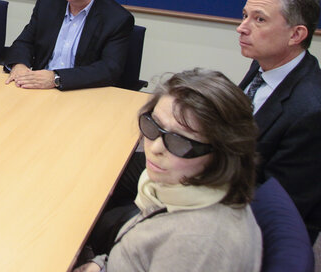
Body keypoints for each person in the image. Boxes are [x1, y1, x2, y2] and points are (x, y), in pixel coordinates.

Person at [77, 69, 262, 272]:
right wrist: (101, 264)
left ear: (222, 152)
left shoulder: (198, 246)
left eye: (180, 140)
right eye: (153, 125)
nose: (155, 148)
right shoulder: (183, 189)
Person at [237, 0, 321, 240]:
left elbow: (278, 203)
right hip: (227, 174)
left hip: (256, 223)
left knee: (117, 218)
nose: (242, 27)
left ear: (296, 34)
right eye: (244, 16)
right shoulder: (263, 65)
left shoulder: (311, 110)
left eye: (259, 19)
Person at [4, 0, 133, 90]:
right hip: (38, 89)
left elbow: (108, 70)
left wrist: (56, 78)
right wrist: (19, 65)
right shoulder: (48, 3)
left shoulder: (116, 18)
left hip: (80, 92)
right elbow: (24, 42)